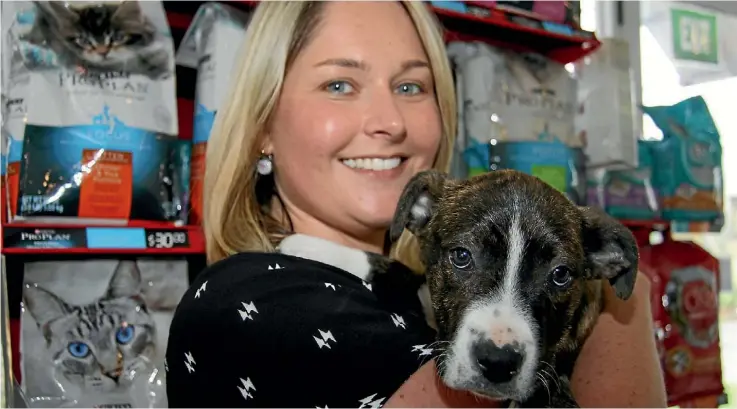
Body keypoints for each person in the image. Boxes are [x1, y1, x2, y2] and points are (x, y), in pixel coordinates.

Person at [165, 2, 667, 408]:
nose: (389, 121)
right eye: (339, 84)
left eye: (410, 86)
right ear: (262, 127)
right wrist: (625, 301)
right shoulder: (244, 305)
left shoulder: (397, 289)